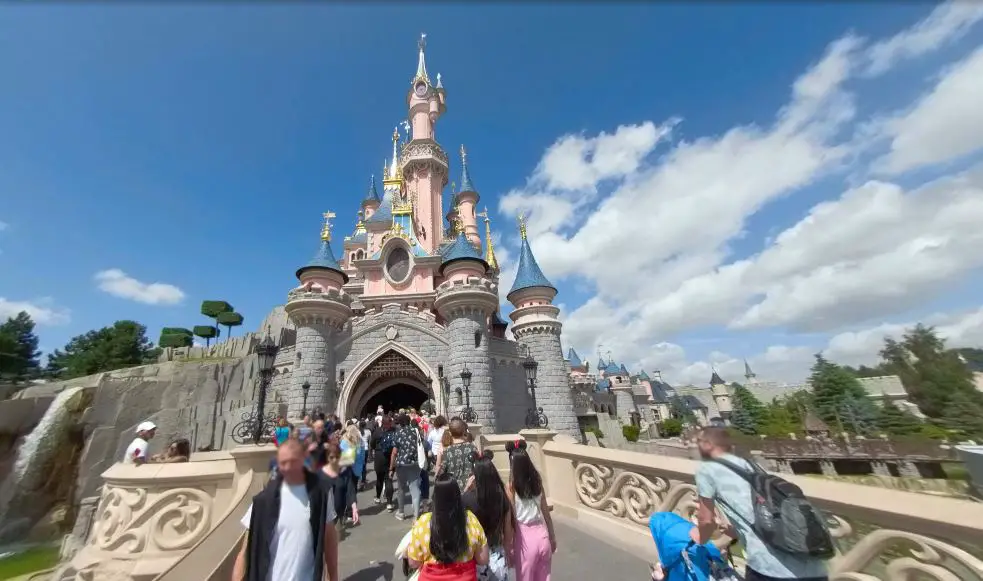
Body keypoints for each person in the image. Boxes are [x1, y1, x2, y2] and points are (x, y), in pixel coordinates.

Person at [693, 427, 829, 581]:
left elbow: (706, 521)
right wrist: (736, 530)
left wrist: (698, 538)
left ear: (708, 444)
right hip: (814, 566)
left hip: (770, 568)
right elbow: (763, 509)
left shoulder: (707, 470)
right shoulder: (751, 465)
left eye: (699, 441)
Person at [231, 439, 338, 581]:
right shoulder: (264, 501)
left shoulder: (321, 494)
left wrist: (333, 577)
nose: (287, 468)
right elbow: (245, 551)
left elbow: (329, 540)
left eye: (292, 462)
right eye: (283, 463)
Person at [406, 472, 490, 581]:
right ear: (457, 496)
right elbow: (483, 559)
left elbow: (413, 563)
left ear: (435, 497)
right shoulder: (471, 520)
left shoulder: (423, 522)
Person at [505, 440, 555, 581]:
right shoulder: (537, 482)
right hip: (542, 536)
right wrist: (552, 537)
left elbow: (511, 520)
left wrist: (508, 546)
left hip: (525, 541)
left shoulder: (511, 487)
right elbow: (547, 515)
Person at [463, 450, 514, 581]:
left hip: (477, 557)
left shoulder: (468, 499)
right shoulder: (502, 496)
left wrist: (466, 489)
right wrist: (508, 553)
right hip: (498, 556)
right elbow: (508, 533)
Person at [320, 442, 359, 539]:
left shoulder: (345, 471)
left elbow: (350, 489)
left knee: (335, 538)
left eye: (337, 457)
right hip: (323, 516)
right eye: (331, 457)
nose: (334, 460)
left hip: (338, 512)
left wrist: (354, 507)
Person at [390, 413, 423, 521]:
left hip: (402, 464)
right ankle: (416, 515)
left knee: (401, 488)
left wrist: (391, 468)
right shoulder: (416, 432)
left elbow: (394, 452)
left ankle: (401, 512)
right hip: (415, 463)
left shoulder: (398, 433)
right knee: (415, 489)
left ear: (400, 423)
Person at [434, 418, 477, 491]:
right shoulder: (472, 448)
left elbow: (442, 471)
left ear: (450, 433)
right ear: (464, 431)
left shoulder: (448, 450)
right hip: (470, 488)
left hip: (453, 490)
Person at [371, 416, 397, 509]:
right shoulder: (394, 431)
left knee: (379, 479)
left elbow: (372, 444)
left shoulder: (377, 431)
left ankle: (378, 498)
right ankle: (389, 503)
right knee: (389, 479)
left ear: (382, 422)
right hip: (390, 457)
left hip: (379, 457)